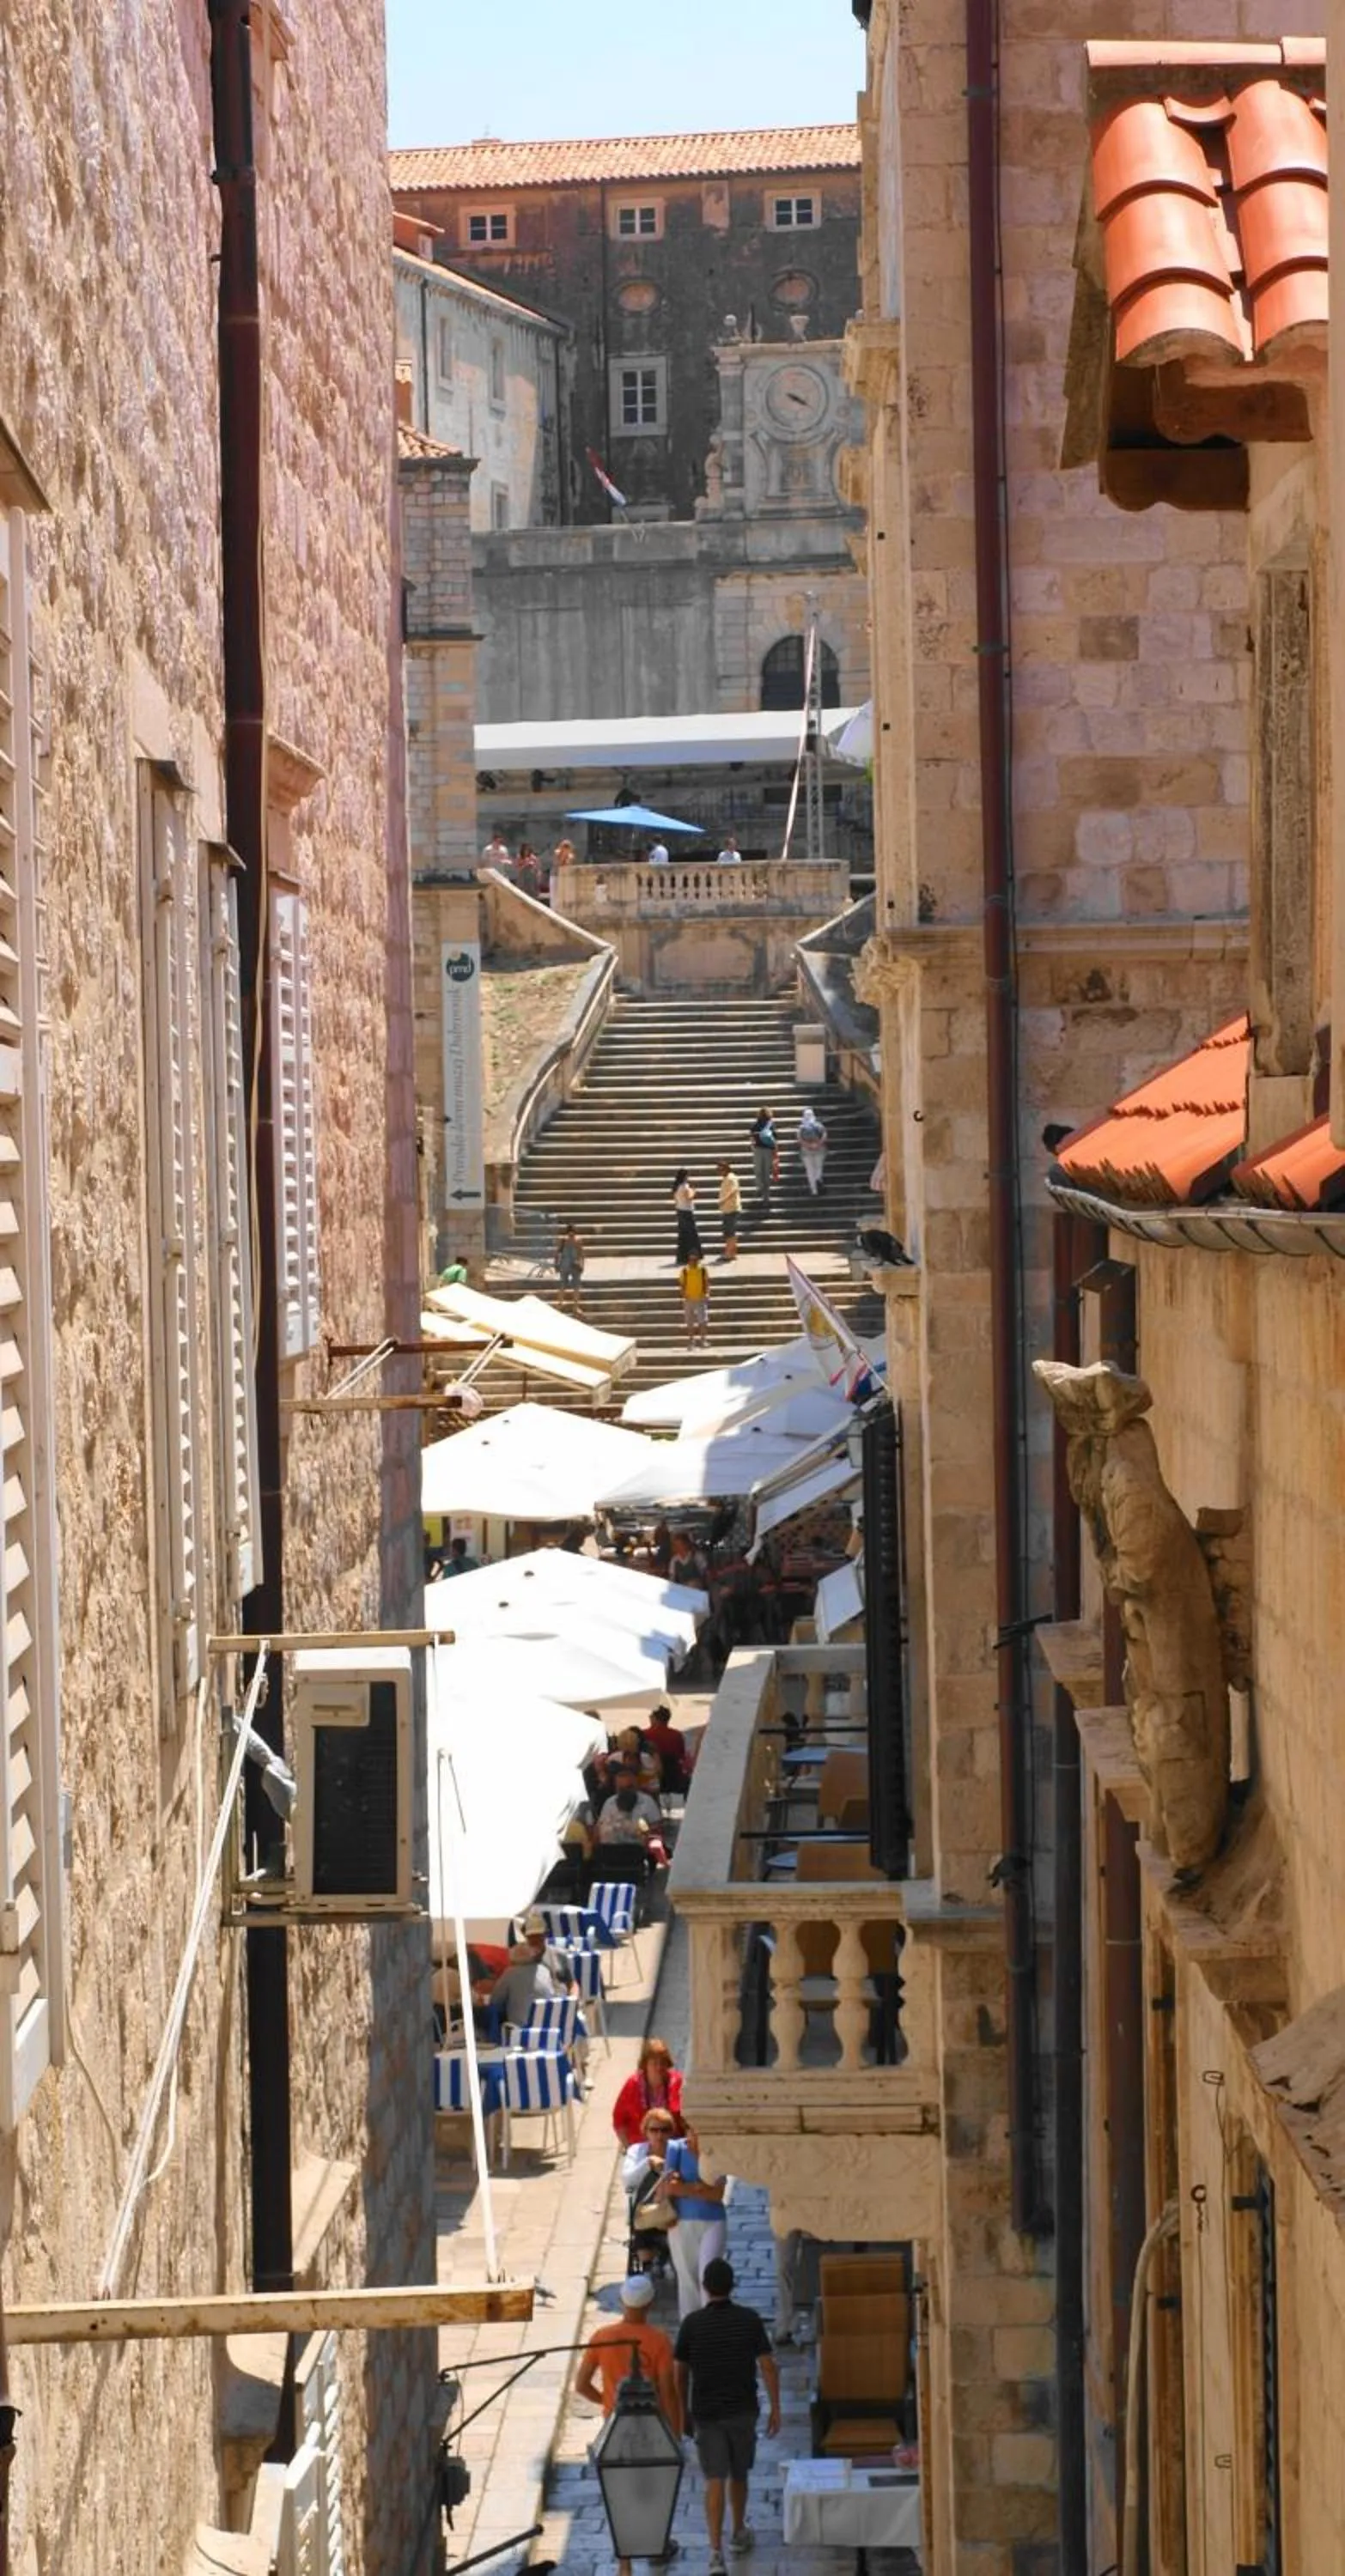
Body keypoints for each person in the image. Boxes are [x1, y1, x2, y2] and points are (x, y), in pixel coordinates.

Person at [675, 2257, 779, 2573]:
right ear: (732, 2286)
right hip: (742, 2410)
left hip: (706, 2413)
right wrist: (777, 2407)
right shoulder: (749, 2320)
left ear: (705, 2288)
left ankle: (715, 2552)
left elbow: (679, 2372)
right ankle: (737, 2531)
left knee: (714, 2479)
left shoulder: (692, 2324)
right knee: (739, 2473)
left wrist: (683, 2411)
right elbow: (767, 2365)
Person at [576, 2275, 683, 2576]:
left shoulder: (601, 2336)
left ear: (623, 2302)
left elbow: (581, 2385)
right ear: (649, 2304)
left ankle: (625, 2564)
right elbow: (667, 2390)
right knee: (652, 2488)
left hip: (615, 2427)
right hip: (651, 2429)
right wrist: (675, 2432)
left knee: (619, 2492)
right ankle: (656, 2543)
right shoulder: (659, 2340)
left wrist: (607, 2402)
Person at [659, 2122, 727, 2320]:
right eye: (692, 2131)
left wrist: (686, 2187)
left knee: (709, 2277)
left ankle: (711, 2324)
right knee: (687, 2278)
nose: (696, 2136)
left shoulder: (715, 2153)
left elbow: (718, 2193)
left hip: (714, 2221)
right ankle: (690, 2326)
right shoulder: (676, 2149)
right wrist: (699, 2188)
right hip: (680, 2221)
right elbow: (669, 2188)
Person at [620, 2107, 680, 2269]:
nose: (659, 2136)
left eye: (664, 2130)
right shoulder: (637, 2151)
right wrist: (647, 2163)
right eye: (654, 2130)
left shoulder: (678, 2151)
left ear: (671, 2132)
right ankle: (646, 2273)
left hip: (674, 2213)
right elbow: (627, 2180)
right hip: (645, 2214)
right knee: (643, 2249)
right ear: (646, 2131)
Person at [488, 1912, 571, 2029]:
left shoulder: (558, 1956)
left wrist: (571, 2004)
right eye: (531, 1935)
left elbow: (572, 1984)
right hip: (549, 2024)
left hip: (541, 2022)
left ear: (545, 1934)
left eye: (538, 1935)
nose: (535, 1938)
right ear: (525, 1936)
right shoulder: (524, 1963)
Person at [612, 2038, 684, 2148]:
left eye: (663, 2062)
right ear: (645, 2065)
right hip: (642, 2148)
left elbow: (688, 2118)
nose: (659, 2067)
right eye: (654, 2063)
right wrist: (630, 2149)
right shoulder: (633, 2085)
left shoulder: (677, 2082)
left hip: (673, 2146)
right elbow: (619, 2120)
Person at [596, 1781, 669, 1868]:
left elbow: (597, 1836)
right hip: (633, 1863)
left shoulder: (604, 1821)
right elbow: (648, 1837)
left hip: (608, 1862)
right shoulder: (639, 1825)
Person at [644, 1704, 695, 1797]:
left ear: (655, 1718)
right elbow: (681, 1755)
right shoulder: (676, 1735)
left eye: (651, 1716)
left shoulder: (646, 1734)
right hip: (674, 1775)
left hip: (654, 1774)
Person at [679, 1253, 709, 1351]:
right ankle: (691, 1341)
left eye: (695, 1260)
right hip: (689, 1298)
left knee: (702, 1321)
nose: (694, 1262)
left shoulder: (703, 1270)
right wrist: (683, 1294)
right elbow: (682, 1284)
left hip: (700, 1297)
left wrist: (707, 1293)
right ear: (689, 1261)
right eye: (692, 1260)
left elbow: (707, 1282)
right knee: (690, 1321)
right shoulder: (685, 1271)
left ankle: (703, 1340)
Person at [671, 1169, 703, 1264]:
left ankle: (682, 1257)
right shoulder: (685, 1186)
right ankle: (692, 1255)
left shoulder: (676, 1187)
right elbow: (689, 1197)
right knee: (691, 1235)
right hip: (687, 1212)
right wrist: (694, 1192)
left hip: (680, 1211)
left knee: (683, 1235)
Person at [797, 1103, 829, 1196]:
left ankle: (813, 1190)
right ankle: (818, 1179)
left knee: (810, 1170)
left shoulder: (802, 1127)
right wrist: (818, 1144)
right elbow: (824, 1135)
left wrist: (807, 1145)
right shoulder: (819, 1125)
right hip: (819, 1149)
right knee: (819, 1167)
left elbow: (799, 1138)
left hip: (806, 1151)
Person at [554, 1221, 586, 1314]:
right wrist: (556, 1264)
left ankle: (573, 1306)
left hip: (572, 1265)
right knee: (564, 1285)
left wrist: (582, 1265)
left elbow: (581, 1254)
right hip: (566, 1264)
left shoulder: (577, 1241)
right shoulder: (564, 1240)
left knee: (574, 1286)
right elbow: (557, 1253)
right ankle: (562, 1304)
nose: (571, 1235)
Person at [716, 1160, 741, 1262]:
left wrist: (723, 1200)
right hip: (728, 1208)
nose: (719, 1172)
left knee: (729, 1233)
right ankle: (733, 1253)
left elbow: (733, 1190)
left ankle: (728, 1253)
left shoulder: (731, 1178)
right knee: (730, 1232)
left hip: (731, 1208)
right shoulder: (727, 1178)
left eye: (720, 1170)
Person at [750, 1109, 776, 1204]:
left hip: (758, 1150)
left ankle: (759, 1187)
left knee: (758, 1171)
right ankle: (766, 1198)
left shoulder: (755, 1125)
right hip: (768, 1150)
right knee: (766, 1173)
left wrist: (752, 1146)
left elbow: (752, 1137)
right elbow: (775, 1138)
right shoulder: (771, 1124)